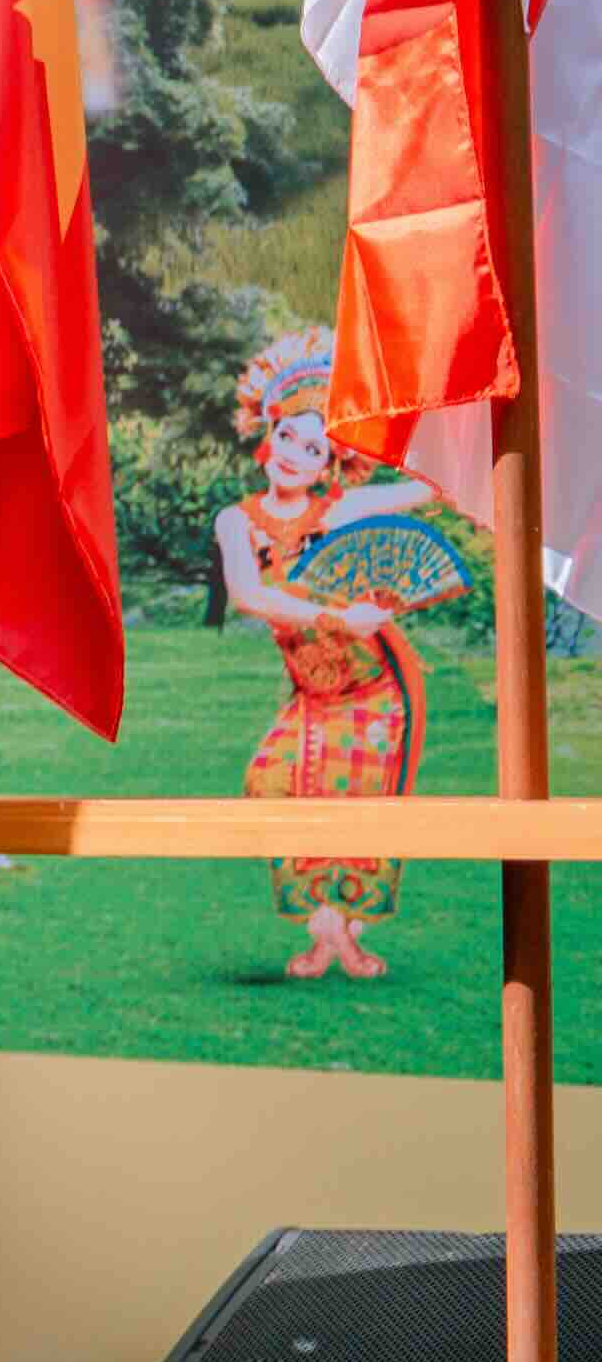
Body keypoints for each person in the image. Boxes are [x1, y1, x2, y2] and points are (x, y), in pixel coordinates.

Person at [218, 326, 440, 981]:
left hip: (379, 687)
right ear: (268, 435)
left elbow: (430, 488)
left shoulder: (343, 510)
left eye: (314, 448)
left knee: (368, 812)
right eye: (288, 435)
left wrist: (415, 417)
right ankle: (330, 934)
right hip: (313, 692)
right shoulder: (238, 522)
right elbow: (248, 595)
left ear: (330, 465)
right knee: (269, 781)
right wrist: (338, 617)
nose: (294, 454)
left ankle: (338, 943)